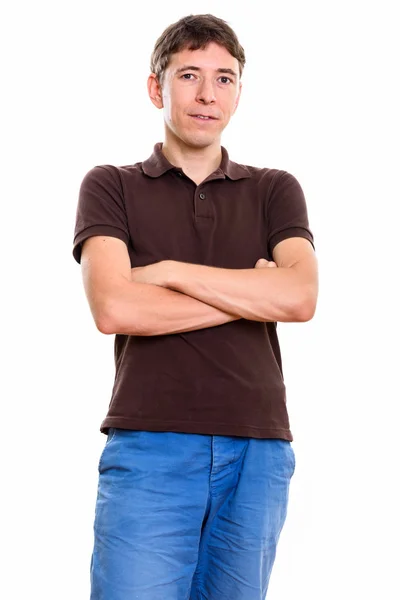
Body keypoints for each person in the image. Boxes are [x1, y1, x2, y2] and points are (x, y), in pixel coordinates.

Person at [72, 13, 318, 600]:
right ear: (157, 87)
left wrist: (172, 274)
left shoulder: (274, 189)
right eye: (189, 75)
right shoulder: (110, 185)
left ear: (239, 92)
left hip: (258, 449)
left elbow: (301, 297)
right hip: (151, 443)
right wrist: (255, 295)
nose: (208, 94)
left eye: (224, 78)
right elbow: (114, 308)